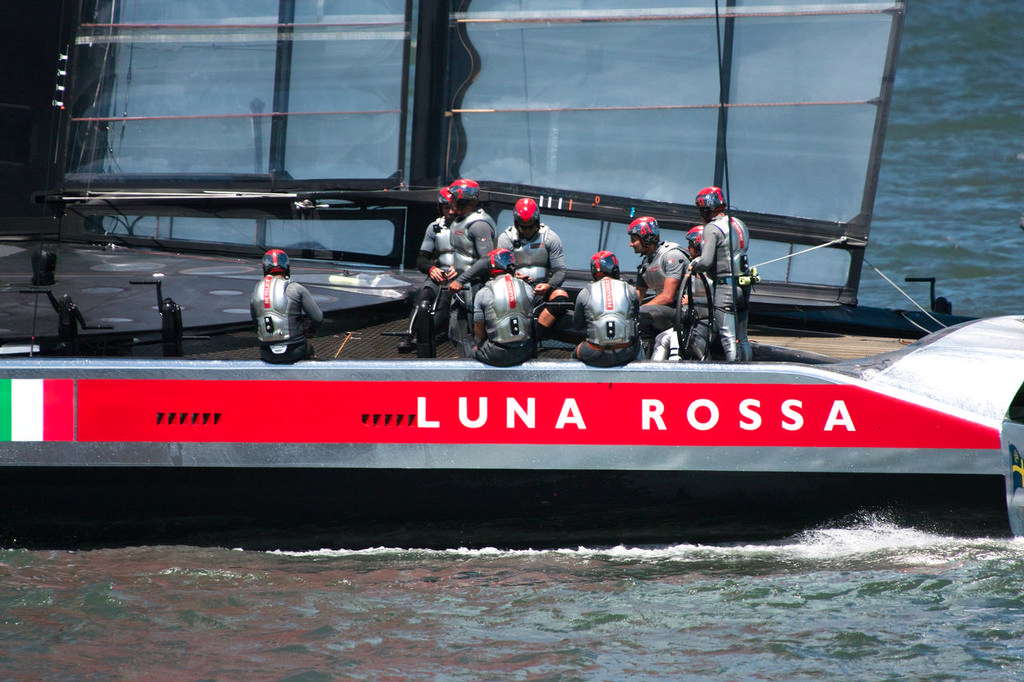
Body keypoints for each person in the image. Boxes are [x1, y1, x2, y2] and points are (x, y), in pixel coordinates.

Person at [686, 186, 752, 362]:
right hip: (744, 287)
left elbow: (706, 262)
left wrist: (694, 265)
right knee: (742, 339)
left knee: (728, 339)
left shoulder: (712, 228)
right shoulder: (739, 224)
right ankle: (749, 377)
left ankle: (734, 381)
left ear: (705, 207)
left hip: (725, 289)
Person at [497, 198, 571, 339]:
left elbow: (560, 270)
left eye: (531, 227)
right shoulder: (505, 239)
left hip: (541, 291)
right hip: (515, 291)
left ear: (537, 222)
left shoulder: (550, 237)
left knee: (562, 297)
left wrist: (548, 286)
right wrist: (514, 279)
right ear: (516, 224)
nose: (527, 231)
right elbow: (498, 272)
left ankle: (536, 337)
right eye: (523, 227)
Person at [397, 187, 457, 355]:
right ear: (440, 208)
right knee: (424, 294)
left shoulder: (470, 226)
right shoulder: (434, 228)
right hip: (441, 273)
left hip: (461, 275)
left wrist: (461, 268)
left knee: (445, 297)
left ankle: (425, 333)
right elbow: (421, 260)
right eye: (446, 208)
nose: (451, 211)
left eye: (453, 207)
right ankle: (409, 335)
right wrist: (431, 268)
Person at [444, 179, 497, 356]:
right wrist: (455, 270)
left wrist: (461, 279)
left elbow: (486, 260)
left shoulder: (479, 224)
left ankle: (478, 373)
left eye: (452, 197)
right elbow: (463, 253)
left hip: (475, 286)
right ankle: (465, 368)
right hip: (460, 285)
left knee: (478, 335)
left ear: (461, 198)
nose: (449, 200)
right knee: (455, 333)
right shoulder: (461, 220)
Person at [627, 216, 689, 357]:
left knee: (640, 314)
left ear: (647, 238)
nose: (631, 244)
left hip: (680, 311)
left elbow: (668, 297)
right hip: (663, 312)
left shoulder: (671, 255)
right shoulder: (645, 264)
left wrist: (637, 311)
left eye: (634, 240)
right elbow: (637, 296)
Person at [652, 226, 714, 361]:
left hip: (707, 324)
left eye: (690, 245)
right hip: (691, 323)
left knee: (682, 339)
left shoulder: (715, 271)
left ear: (700, 245)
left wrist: (693, 300)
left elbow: (719, 301)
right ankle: (653, 375)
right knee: (661, 338)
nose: (687, 249)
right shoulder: (692, 270)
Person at [250, 248, 323, 364]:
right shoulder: (295, 288)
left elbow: (255, 324)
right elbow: (318, 318)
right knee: (309, 349)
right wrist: (309, 331)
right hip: (294, 350)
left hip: (267, 352)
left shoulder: (256, 291)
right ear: (287, 267)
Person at [572, 251, 642, 367]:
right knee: (638, 344)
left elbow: (577, 325)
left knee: (575, 353)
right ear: (615, 269)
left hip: (595, 352)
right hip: (626, 353)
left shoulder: (585, 292)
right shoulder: (629, 289)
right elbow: (635, 318)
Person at [472, 248, 535, 367]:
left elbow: (479, 334)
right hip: (525, 352)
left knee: (474, 348)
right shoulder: (527, 289)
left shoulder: (483, 293)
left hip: (496, 354)